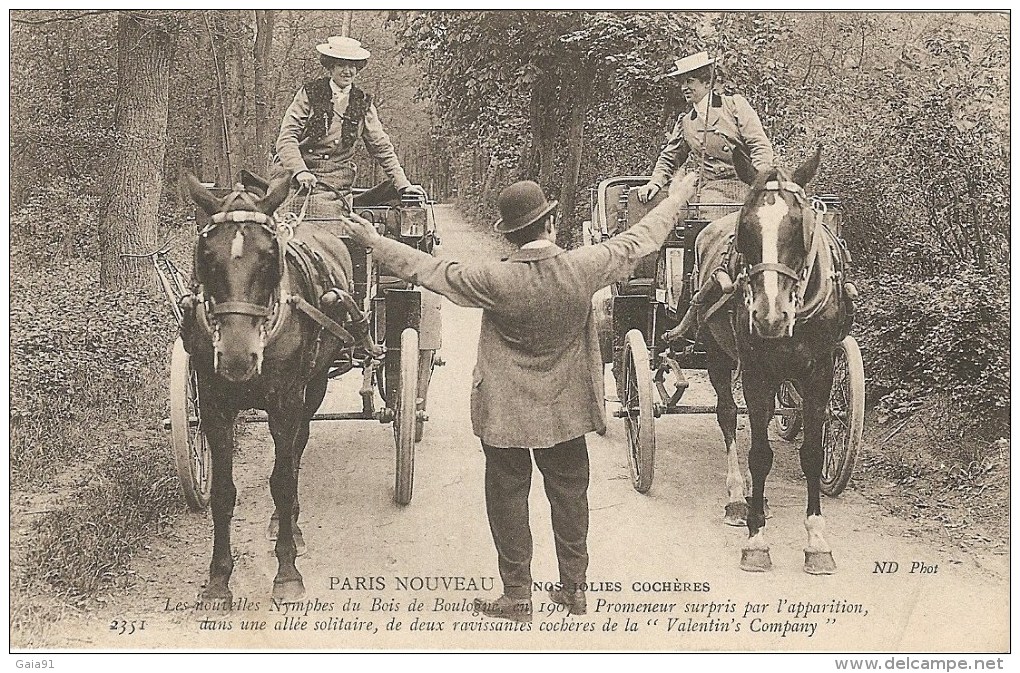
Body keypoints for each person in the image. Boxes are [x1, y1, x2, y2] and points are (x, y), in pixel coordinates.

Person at [338, 174, 699, 622]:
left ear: (509, 233)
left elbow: (429, 270)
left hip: (505, 412)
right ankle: (574, 590)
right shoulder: (584, 267)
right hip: (566, 411)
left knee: (508, 496)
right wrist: (679, 195)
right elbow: (641, 238)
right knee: (570, 495)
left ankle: (516, 595)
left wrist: (373, 241)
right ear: (549, 225)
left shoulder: (493, 278)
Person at [272, 35, 425, 214]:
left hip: (335, 180)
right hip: (294, 175)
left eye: (352, 66)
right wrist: (300, 171)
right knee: (280, 222)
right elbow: (286, 138)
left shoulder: (362, 102)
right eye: (341, 65)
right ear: (331, 67)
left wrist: (403, 185)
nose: (347, 71)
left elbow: (381, 148)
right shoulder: (309, 93)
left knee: (330, 222)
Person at [636, 51, 774, 223]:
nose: (684, 87)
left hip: (746, 184)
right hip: (712, 192)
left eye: (690, 81)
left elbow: (759, 144)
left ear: (707, 83)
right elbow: (669, 158)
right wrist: (654, 183)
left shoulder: (733, 105)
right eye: (682, 82)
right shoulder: (686, 122)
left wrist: (758, 177)